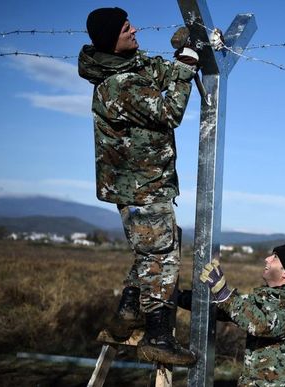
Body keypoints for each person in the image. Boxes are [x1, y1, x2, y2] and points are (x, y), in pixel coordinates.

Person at [77, 7, 201, 366]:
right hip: (141, 187)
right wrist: (189, 63)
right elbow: (169, 111)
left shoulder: (128, 65)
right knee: (162, 258)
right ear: (110, 39)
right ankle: (159, 338)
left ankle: (128, 312)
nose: (135, 30)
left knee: (152, 250)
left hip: (146, 183)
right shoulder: (116, 86)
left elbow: (162, 72)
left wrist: (186, 49)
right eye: (127, 27)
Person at [198, 245, 285, 385]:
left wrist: (224, 294)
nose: (267, 259)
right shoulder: (270, 298)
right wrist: (179, 298)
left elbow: (262, 324)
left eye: (275, 257)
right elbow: (233, 310)